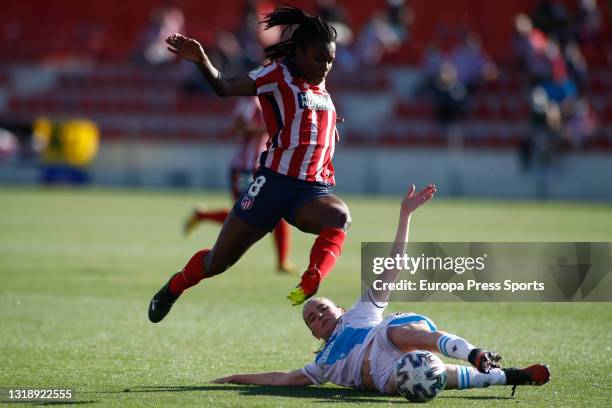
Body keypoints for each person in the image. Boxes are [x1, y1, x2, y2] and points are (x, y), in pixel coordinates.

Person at [212, 185, 551, 397]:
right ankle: (508, 376)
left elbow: (394, 264)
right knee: (421, 376)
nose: (318, 316)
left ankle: (474, 353)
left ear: (341, 309)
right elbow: (279, 379)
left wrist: (405, 214)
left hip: (396, 338)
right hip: (390, 375)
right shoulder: (322, 364)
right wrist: (233, 378)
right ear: (314, 335)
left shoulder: (362, 312)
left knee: (391, 330)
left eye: (322, 308)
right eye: (312, 319)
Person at [149, 6, 349, 324]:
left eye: (330, 60)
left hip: (310, 190)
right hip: (272, 184)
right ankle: (173, 287)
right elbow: (225, 87)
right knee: (218, 262)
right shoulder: (276, 75)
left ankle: (311, 279)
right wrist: (202, 60)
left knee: (339, 216)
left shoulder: (319, 84)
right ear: (298, 53)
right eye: (318, 58)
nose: (325, 67)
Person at [183, 96, 295, 273]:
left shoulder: (273, 98)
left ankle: (282, 262)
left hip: (263, 167)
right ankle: (202, 216)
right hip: (245, 168)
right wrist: (268, 128)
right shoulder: (250, 100)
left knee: (275, 213)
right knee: (242, 214)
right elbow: (237, 126)